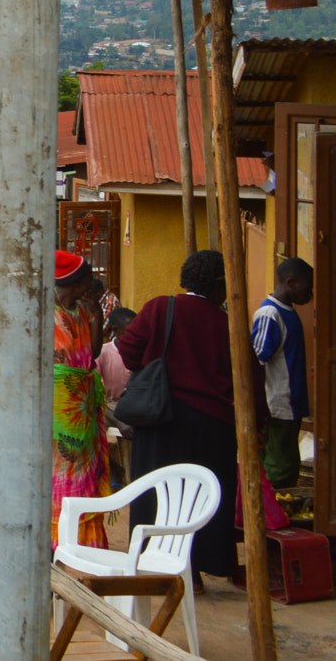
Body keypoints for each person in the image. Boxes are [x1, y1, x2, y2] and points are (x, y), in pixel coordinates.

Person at [116, 249, 239, 585]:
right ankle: (194, 571)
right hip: (213, 426)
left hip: (161, 420)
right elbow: (247, 377)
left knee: (157, 494)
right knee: (202, 498)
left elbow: (127, 350)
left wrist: (154, 368)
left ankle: (156, 564)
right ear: (217, 285)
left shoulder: (160, 308)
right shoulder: (227, 322)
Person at [51, 251, 110, 549]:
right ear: (76, 281)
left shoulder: (84, 310)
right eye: (88, 278)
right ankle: (60, 539)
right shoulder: (43, 310)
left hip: (84, 405)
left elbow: (94, 352)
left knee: (83, 469)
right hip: (60, 405)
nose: (92, 283)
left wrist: (97, 317)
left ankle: (82, 541)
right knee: (62, 468)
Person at [251, 257, 315, 489]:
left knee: (288, 462)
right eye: (307, 286)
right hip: (277, 404)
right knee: (278, 466)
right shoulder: (270, 313)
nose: (310, 293)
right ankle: (272, 515)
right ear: (291, 283)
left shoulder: (287, 311)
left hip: (291, 403)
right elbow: (258, 359)